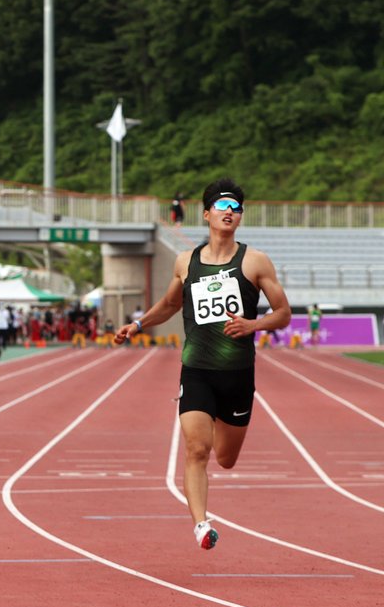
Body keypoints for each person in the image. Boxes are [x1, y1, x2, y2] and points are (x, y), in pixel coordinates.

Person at [114, 178, 291, 551]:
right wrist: (138, 324)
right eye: (223, 206)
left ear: (240, 218)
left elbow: (284, 313)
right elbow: (169, 304)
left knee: (225, 459)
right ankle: (201, 525)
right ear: (207, 213)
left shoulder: (254, 261)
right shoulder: (186, 262)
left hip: (238, 375)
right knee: (197, 449)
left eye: (236, 208)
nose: (230, 212)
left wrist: (253, 324)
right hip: (196, 370)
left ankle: (208, 496)